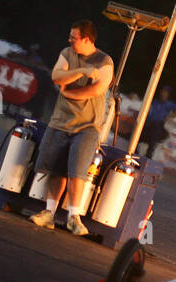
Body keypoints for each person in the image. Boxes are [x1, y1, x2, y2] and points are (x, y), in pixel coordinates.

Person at [29, 20, 114, 236]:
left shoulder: (104, 61)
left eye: (73, 37)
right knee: (55, 168)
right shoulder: (67, 53)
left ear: (86, 39)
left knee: (77, 170)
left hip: (87, 126)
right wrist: (82, 71)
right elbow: (57, 76)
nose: (70, 40)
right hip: (60, 122)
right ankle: (49, 212)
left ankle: (73, 217)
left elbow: (98, 89)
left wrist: (69, 93)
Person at [141, 84, 176, 154]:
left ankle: (149, 154)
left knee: (153, 139)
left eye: (165, 92)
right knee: (139, 134)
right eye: (162, 91)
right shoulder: (155, 101)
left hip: (158, 124)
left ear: (168, 94)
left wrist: (170, 116)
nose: (163, 93)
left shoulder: (169, 104)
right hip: (148, 123)